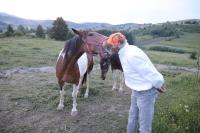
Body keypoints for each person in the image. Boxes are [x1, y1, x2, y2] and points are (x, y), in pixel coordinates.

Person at [103, 33, 166, 133]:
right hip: (136, 90)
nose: (109, 49)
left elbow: (149, 71)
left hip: (146, 92)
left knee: (144, 126)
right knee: (132, 118)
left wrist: (159, 84)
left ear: (118, 44)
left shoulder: (131, 55)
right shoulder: (125, 51)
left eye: (111, 46)